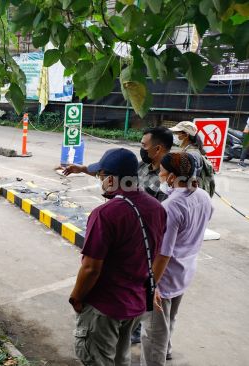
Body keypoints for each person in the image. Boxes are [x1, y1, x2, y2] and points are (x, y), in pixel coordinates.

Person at [69, 148, 166, 366]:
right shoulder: (156, 208)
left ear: (112, 178)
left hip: (105, 307)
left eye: (101, 177)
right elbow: (157, 253)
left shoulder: (105, 214)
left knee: (98, 359)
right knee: (121, 359)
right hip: (136, 304)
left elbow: (91, 269)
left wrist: (76, 297)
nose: (101, 181)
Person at [140, 152, 213, 365]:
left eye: (162, 172)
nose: (160, 176)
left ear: (172, 177)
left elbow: (164, 252)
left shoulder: (171, 206)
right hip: (185, 271)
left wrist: (152, 285)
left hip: (166, 275)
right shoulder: (203, 196)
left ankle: (157, 360)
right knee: (169, 320)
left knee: (154, 333)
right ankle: (167, 350)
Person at [169, 121, 215, 197]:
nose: (175, 136)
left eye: (177, 133)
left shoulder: (191, 154)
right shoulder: (189, 150)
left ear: (186, 135)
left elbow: (190, 182)